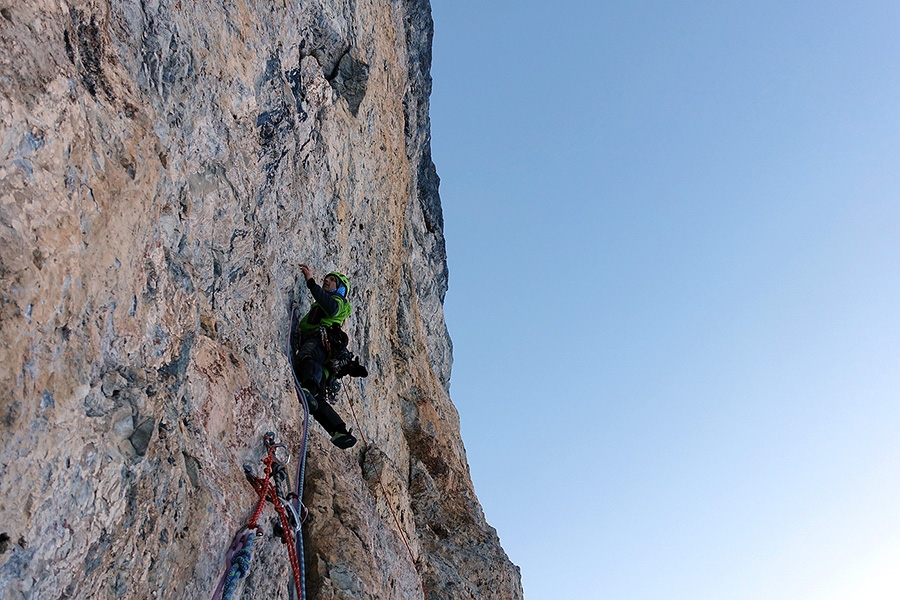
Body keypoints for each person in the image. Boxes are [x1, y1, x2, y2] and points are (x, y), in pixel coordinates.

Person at [292, 264, 357, 449]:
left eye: (331, 280)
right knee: (318, 400)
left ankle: (309, 389)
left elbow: (332, 309)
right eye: (326, 278)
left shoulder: (339, 301)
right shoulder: (330, 301)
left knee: (307, 356)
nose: (326, 280)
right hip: (324, 359)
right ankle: (338, 430)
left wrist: (311, 282)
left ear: (340, 288)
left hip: (319, 341)